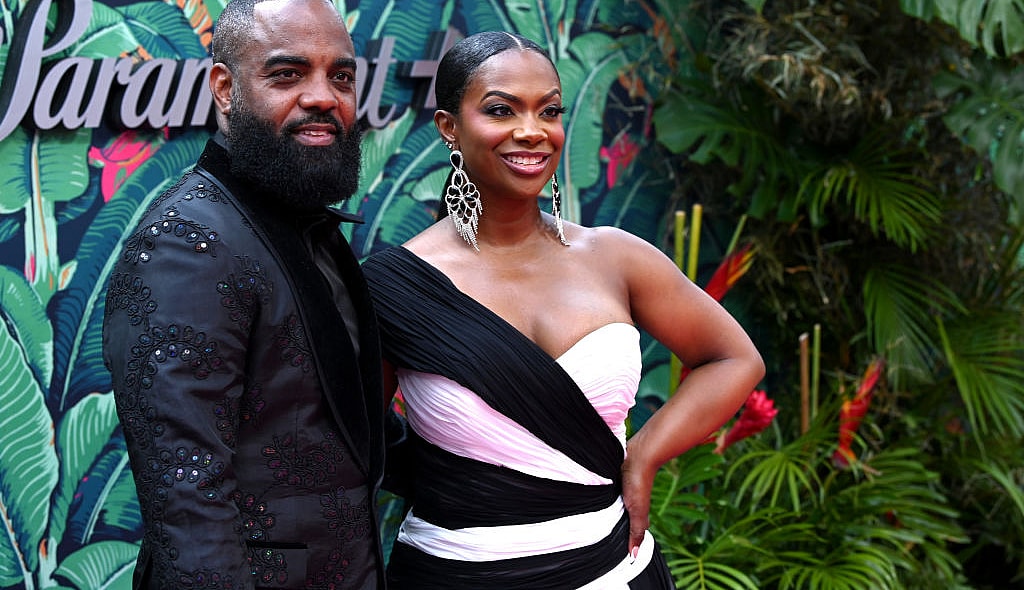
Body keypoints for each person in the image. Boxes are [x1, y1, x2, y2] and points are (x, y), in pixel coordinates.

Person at [362, 31, 766, 589]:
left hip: (617, 569)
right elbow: (354, 440)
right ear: (449, 127)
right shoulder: (393, 287)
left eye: (548, 110)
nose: (531, 132)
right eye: (501, 110)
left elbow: (733, 358)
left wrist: (643, 454)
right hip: (459, 574)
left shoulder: (615, 256)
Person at [101, 0, 387, 587]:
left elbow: (328, 426)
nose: (322, 97)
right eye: (287, 74)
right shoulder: (186, 244)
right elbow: (189, 501)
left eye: (341, 76)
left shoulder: (302, 223)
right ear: (225, 89)